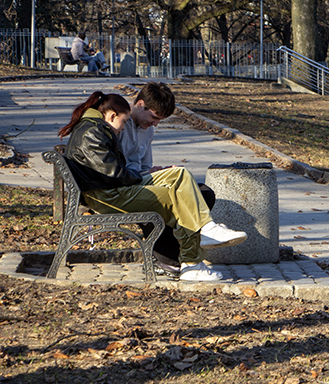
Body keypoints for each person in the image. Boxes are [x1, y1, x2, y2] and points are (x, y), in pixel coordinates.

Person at [59, 91, 246, 281]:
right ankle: (193, 262)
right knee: (179, 197)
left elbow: (113, 172)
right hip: (109, 197)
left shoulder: (96, 127)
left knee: (179, 174)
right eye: (123, 122)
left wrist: (148, 173)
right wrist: (140, 175)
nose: (123, 128)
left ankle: (205, 229)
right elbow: (113, 173)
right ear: (112, 116)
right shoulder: (93, 131)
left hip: (112, 190)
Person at [119, 82, 217, 278]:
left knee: (203, 193)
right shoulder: (119, 125)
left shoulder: (148, 131)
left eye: (159, 120)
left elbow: (146, 165)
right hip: (126, 185)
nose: (155, 124)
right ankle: (169, 257)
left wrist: (157, 171)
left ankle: (178, 252)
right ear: (140, 104)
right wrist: (148, 174)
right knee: (170, 198)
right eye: (154, 117)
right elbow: (115, 169)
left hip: (141, 179)